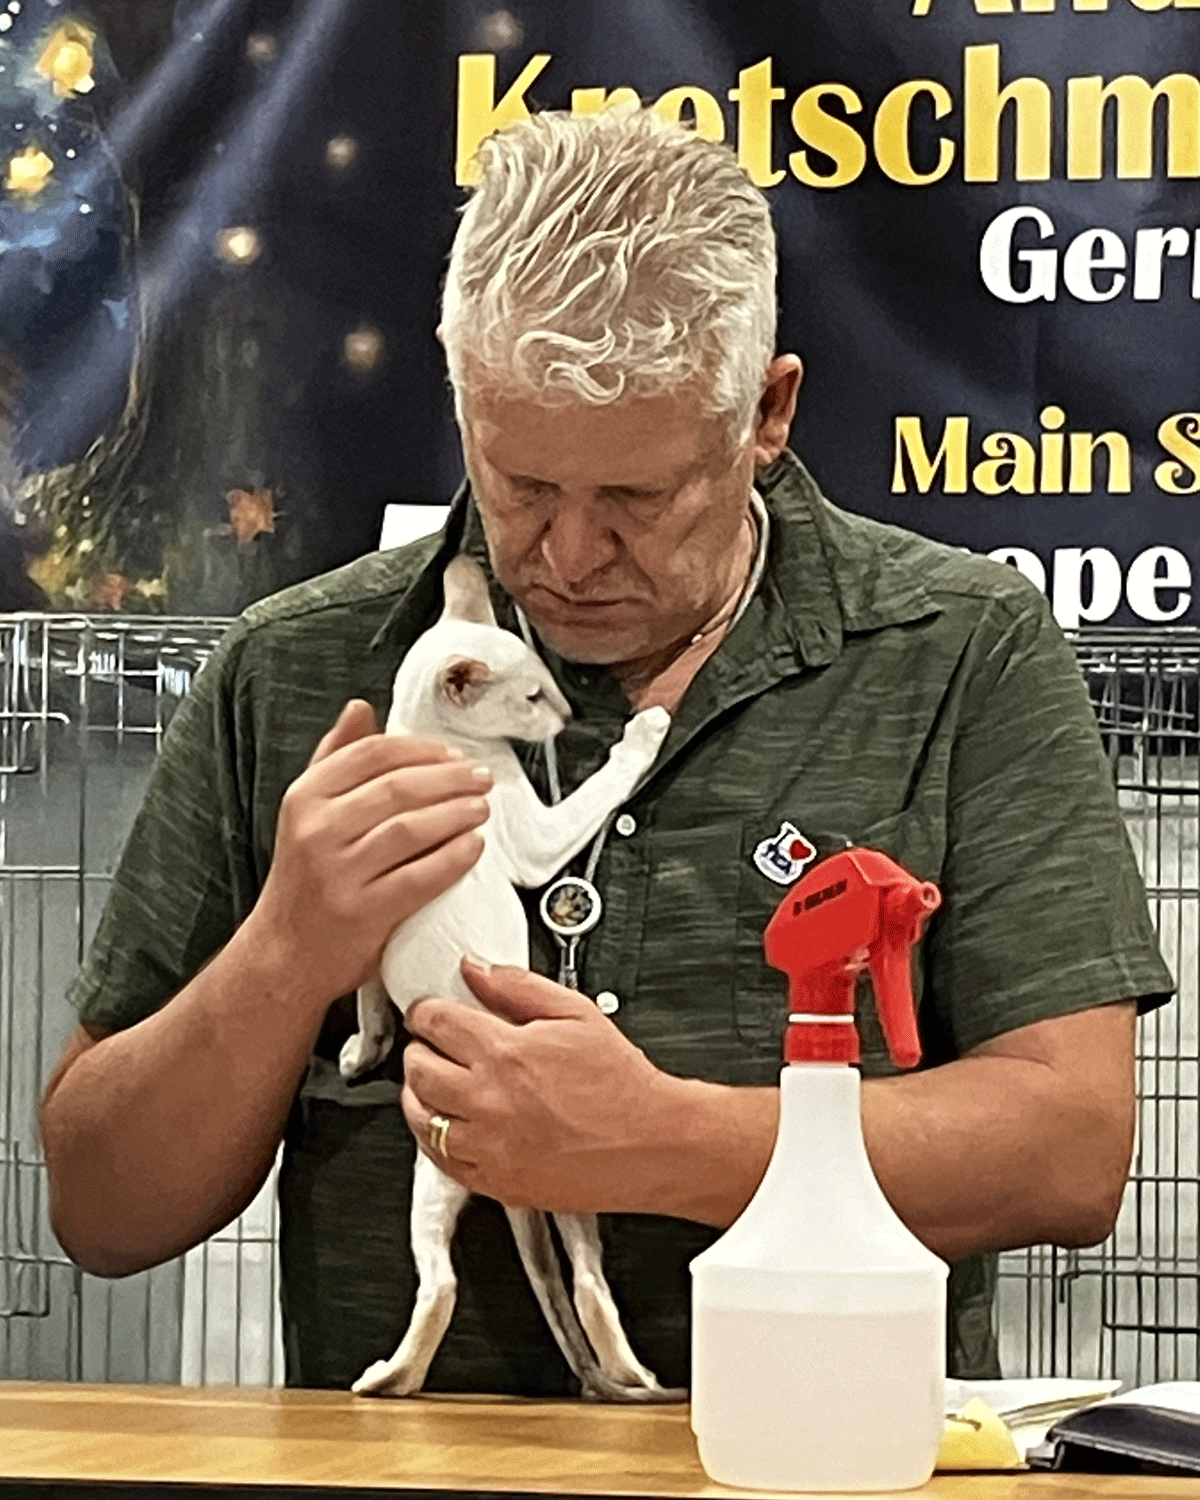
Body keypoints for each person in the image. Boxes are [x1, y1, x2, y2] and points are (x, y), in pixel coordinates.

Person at [40, 106, 1172, 1393]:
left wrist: (667, 1142)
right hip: (405, 1489)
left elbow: (1068, 1149)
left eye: (638, 498)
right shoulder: (298, 666)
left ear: (768, 414)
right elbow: (104, 1209)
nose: (569, 558)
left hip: (824, 1469)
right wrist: (287, 952)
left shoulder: (959, 651)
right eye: (520, 485)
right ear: (460, 397)